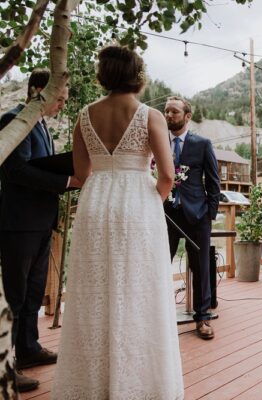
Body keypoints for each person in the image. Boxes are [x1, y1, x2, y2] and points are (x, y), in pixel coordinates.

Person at [52, 46, 183, 398]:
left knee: (95, 290)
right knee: (139, 290)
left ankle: (94, 382)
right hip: (137, 204)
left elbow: (81, 172)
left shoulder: (83, 115)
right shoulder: (149, 114)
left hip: (96, 201)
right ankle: (138, 384)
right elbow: (167, 175)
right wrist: (150, 201)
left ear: (104, 75)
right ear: (137, 75)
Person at [0, 69, 81, 392]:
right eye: (58, 98)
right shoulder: (14, 119)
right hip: (18, 222)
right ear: (37, 91)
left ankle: (29, 348)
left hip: (41, 220)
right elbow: (16, 169)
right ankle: (8, 364)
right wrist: (65, 180)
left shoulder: (41, 124)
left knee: (34, 292)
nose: (62, 104)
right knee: (16, 295)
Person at [163, 95, 220, 340]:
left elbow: (214, 182)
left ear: (187, 116)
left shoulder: (202, 143)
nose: (168, 115)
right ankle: (159, 316)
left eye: (174, 112)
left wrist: (210, 214)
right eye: (166, 111)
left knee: (201, 268)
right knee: (159, 265)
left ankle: (203, 317)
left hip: (197, 215)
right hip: (165, 215)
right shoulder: (157, 142)